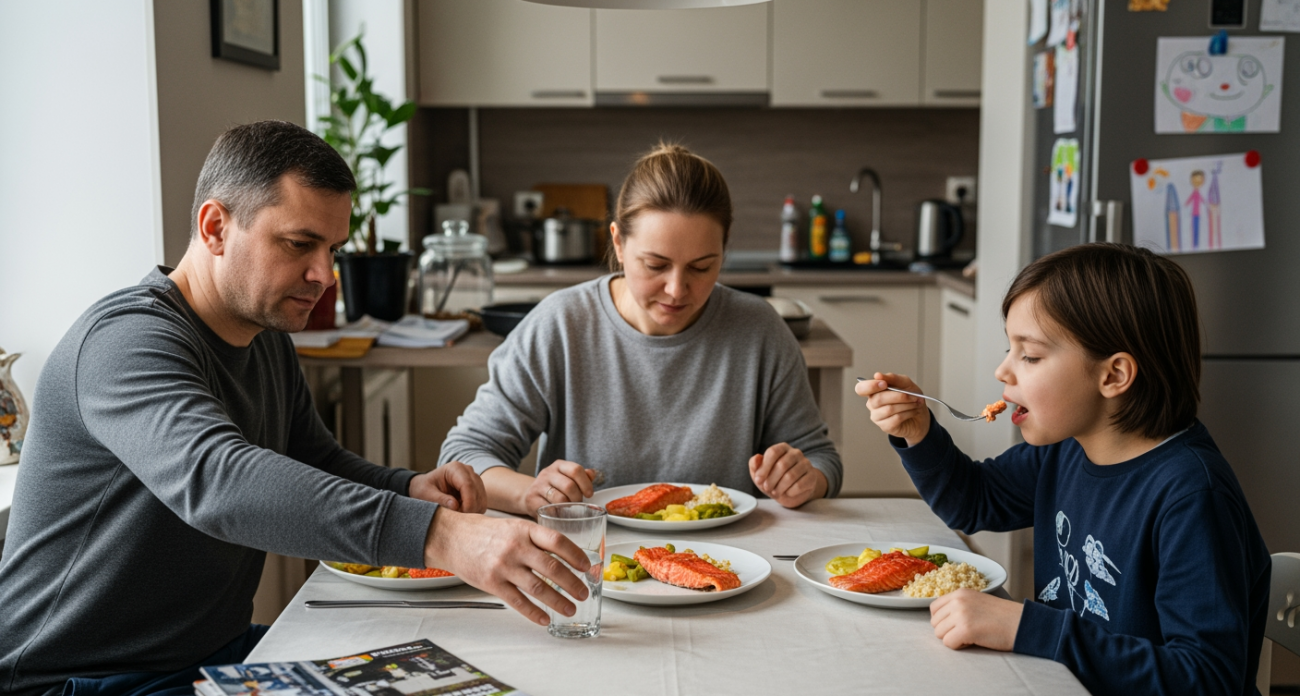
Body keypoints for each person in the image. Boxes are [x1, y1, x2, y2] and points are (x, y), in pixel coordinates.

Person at [0, 121, 590, 696]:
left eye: (333, 249)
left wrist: (411, 489)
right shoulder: (125, 341)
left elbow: (314, 459)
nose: (325, 275)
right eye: (299, 244)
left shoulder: (264, 337)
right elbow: (218, 483)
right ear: (215, 227)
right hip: (79, 679)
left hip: (214, 657)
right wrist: (443, 535)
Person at [856, 243, 1270, 695]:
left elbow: (1208, 680)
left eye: (1030, 356)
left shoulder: (1191, 496)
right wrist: (918, 432)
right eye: (1010, 349)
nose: (1002, 371)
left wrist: (1029, 627)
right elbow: (973, 500)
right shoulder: (1069, 450)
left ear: (1113, 375)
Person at [439, 143, 842, 516]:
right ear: (618, 243)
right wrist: (529, 493)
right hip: (590, 554)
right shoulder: (560, 325)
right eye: (655, 265)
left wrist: (805, 479)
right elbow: (463, 454)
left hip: (729, 559)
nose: (677, 289)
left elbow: (822, 459)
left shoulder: (760, 331)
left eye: (702, 267)